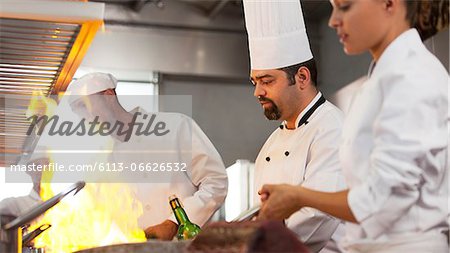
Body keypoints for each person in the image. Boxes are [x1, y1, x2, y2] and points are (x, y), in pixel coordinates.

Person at [258, 0, 449, 252]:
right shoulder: (380, 80)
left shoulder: (411, 76)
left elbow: (383, 200)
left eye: (345, 6)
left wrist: (298, 197)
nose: (332, 20)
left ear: (389, 4)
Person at [59, 72, 228, 240]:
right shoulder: (101, 162)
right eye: (78, 113)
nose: (84, 118)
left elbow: (215, 182)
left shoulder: (176, 127)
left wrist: (174, 223)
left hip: (187, 247)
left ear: (109, 96)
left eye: (85, 106)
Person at [242, 1, 346, 252]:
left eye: (267, 81)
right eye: (255, 81)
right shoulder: (272, 142)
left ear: (302, 77)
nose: (258, 91)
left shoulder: (332, 128)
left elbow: (317, 215)